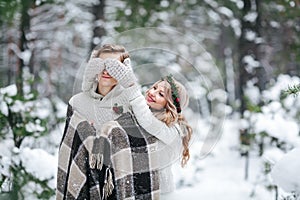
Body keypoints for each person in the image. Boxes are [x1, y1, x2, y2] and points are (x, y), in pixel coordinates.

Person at [56, 44, 182, 200]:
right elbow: (69, 148)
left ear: (124, 70)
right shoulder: (76, 103)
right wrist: (87, 84)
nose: (106, 70)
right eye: (101, 64)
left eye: (114, 66)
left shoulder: (134, 102)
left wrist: (130, 83)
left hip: (123, 184)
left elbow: (147, 132)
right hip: (86, 181)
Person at [102, 60, 193, 199]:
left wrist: (131, 84)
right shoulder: (146, 114)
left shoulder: (173, 130)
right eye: (155, 87)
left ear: (170, 105)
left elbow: (147, 121)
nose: (153, 92)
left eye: (161, 94)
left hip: (160, 193)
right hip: (138, 188)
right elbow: (130, 110)